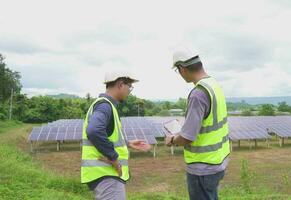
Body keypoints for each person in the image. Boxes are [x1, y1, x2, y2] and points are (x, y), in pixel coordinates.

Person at [166, 48, 230, 200]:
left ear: (182, 68)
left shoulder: (198, 94)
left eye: (178, 70)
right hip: (218, 160)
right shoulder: (214, 85)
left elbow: (188, 137)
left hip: (203, 167)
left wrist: (173, 140)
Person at [81, 71, 151, 200]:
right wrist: (113, 158)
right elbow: (94, 131)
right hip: (107, 174)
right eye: (129, 86)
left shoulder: (104, 105)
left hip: (102, 174)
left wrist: (127, 143)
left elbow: (106, 134)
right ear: (120, 84)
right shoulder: (105, 106)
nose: (130, 91)